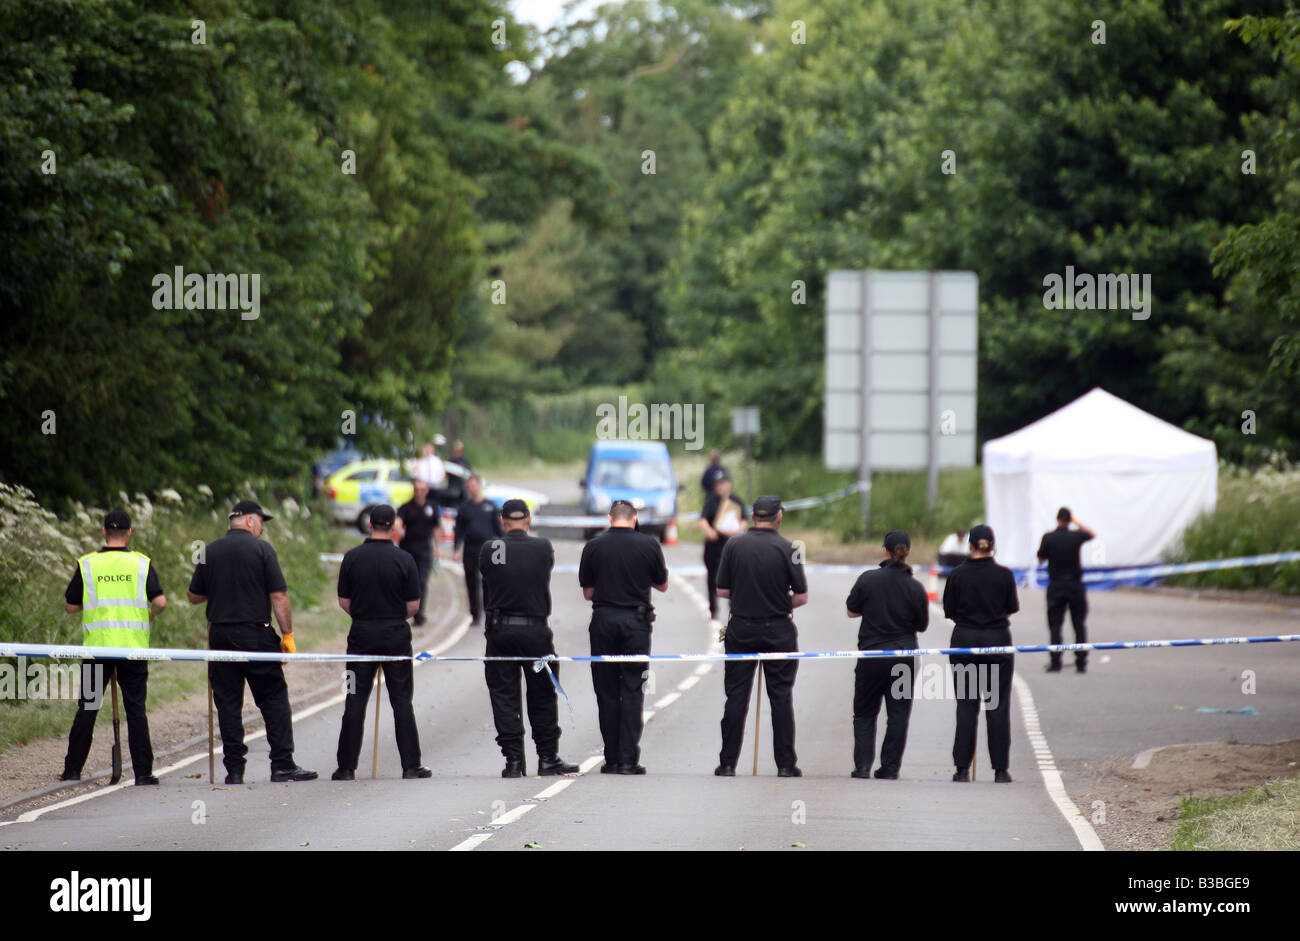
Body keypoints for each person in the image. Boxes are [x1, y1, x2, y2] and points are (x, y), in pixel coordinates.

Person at [187, 500, 316, 784]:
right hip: (256, 634)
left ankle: (234, 769)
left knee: (228, 702)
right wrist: (288, 635)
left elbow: (194, 596)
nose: (261, 528)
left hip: (220, 636)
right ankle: (282, 764)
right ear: (247, 521)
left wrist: (223, 587)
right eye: (260, 521)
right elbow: (279, 596)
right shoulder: (262, 550)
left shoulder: (209, 550)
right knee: (272, 699)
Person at [60, 509, 166, 786]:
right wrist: (148, 615)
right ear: (129, 533)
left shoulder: (88, 564)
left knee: (89, 707)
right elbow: (161, 602)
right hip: (133, 649)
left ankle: (72, 770)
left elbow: (71, 606)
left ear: (104, 532)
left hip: (98, 649)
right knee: (136, 710)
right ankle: (143, 773)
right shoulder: (141, 564)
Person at [479, 499, 579, 778]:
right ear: (529, 520)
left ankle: (513, 761)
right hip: (535, 631)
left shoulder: (489, 549)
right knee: (542, 695)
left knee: (504, 696)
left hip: (500, 632)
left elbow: (488, 578)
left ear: (502, 521)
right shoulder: (543, 547)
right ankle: (547, 758)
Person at [331, 505, 430, 781]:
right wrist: (392, 617)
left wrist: (365, 616)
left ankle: (346, 767)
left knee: (353, 700)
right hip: (396, 636)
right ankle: (411, 765)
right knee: (401, 701)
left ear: (370, 524)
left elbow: (344, 601)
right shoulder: (406, 559)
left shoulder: (351, 558)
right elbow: (413, 605)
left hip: (361, 636)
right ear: (394, 525)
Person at [714, 495, 807, 777]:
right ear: (779, 517)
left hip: (741, 628)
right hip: (778, 630)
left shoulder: (733, 544)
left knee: (736, 697)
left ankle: (728, 763)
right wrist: (777, 602)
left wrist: (747, 597)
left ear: (753, 516)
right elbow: (801, 596)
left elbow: (721, 590)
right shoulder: (789, 548)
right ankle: (786, 765)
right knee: (780, 697)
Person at [578, 499, 668, 774]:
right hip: (636, 623)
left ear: (609, 517)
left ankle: (612, 758)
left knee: (606, 689)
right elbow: (662, 585)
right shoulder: (649, 544)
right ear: (634, 518)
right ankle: (629, 759)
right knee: (632, 688)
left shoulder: (594, 546)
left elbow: (588, 593)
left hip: (603, 621)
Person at [845, 530, 929, 779]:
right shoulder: (915, 587)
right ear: (908, 552)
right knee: (899, 713)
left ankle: (862, 766)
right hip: (904, 656)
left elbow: (851, 611)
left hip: (872, 655)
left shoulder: (868, 580)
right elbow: (922, 625)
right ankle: (890, 767)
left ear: (885, 551)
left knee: (864, 713)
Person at [942, 524, 1019, 783]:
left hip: (965, 641)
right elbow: (1011, 608)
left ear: (970, 545)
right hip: (997, 641)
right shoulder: (1004, 575)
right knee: (997, 705)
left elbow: (950, 610)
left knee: (966, 705)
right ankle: (1000, 769)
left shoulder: (957, 575)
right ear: (992, 545)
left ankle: (962, 768)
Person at [1037, 507, 1095, 673]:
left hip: (1056, 585)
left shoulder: (1049, 537)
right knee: (1079, 625)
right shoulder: (1076, 536)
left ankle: (1056, 662)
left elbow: (1040, 559)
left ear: (1057, 519)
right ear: (1070, 520)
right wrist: (1076, 522)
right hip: (1075, 586)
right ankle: (1081, 663)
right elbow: (1091, 534)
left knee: (1055, 625)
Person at [453, 474, 502, 626]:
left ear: (479, 486)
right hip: (470, 547)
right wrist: (456, 548)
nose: (472, 488)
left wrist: (503, 547)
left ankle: (489, 612)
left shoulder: (490, 506)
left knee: (488, 581)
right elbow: (459, 530)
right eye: (469, 486)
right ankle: (474, 614)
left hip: (488, 547)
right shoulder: (464, 508)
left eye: (474, 485)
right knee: (470, 580)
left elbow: (498, 530)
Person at [698, 474, 747, 620]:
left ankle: (734, 607)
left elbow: (744, 520)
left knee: (735, 577)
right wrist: (710, 532)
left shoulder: (736, 501)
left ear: (729, 484)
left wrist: (737, 530)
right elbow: (703, 520)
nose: (721, 487)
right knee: (712, 577)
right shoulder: (711, 501)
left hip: (731, 545)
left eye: (723, 483)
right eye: (718, 484)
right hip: (714, 545)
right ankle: (713, 608)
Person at [398, 478, 441, 626]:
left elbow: (436, 528)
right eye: (417, 490)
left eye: (422, 490)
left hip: (424, 549)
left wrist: (438, 548)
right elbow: (398, 522)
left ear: (427, 491)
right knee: (405, 581)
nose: (419, 493)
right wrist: (398, 530)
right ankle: (403, 611)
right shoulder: (406, 507)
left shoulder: (432, 507)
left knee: (421, 582)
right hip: (407, 548)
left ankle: (419, 613)